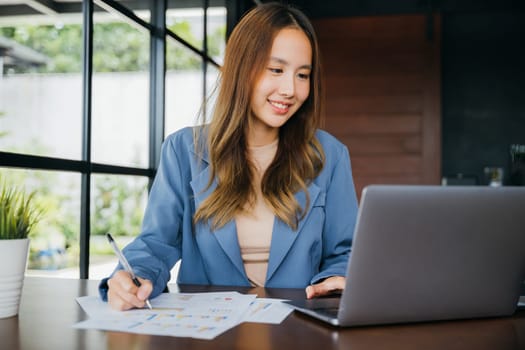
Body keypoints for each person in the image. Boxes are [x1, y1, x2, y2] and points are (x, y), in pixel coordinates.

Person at [100, 2, 358, 311]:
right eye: (276, 70)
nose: (290, 89)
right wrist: (133, 276)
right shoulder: (183, 150)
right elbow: (157, 243)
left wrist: (338, 278)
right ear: (241, 68)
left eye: (303, 75)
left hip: (297, 328)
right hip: (209, 327)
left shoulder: (329, 155)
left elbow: (344, 252)